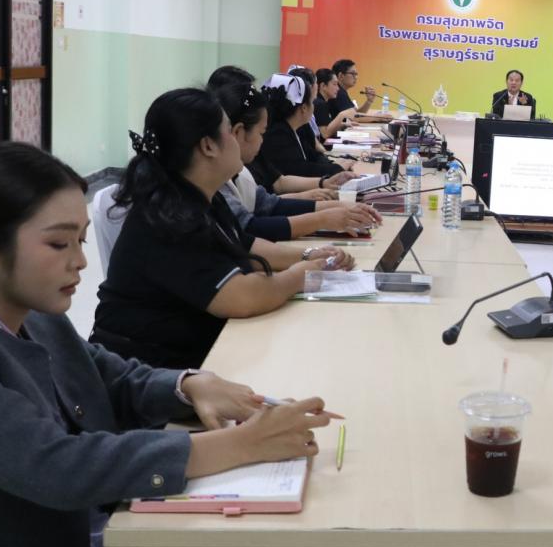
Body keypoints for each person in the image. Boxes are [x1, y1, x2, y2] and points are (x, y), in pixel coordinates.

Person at [0, 141, 337, 547]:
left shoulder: (28, 307)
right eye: (58, 244)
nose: (80, 261)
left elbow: (106, 374)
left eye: (80, 240)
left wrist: (189, 385)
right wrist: (240, 445)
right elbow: (55, 465)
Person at [91, 87, 355, 369]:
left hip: (188, 352)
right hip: (149, 371)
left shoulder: (200, 195)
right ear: (208, 146)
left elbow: (244, 244)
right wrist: (303, 274)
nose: (236, 139)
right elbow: (243, 297)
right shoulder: (168, 217)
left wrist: (311, 255)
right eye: (229, 130)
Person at [213, 80, 382, 242]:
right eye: (261, 133)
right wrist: (322, 218)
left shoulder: (239, 173)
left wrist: (339, 206)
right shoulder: (216, 186)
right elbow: (248, 230)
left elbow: (269, 203)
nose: (263, 140)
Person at [208, 65, 352, 201]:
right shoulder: (272, 136)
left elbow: (274, 188)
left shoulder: (246, 155)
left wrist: (323, 184)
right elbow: (257, 211)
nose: (262, 139)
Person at [258, 73, 353, 180]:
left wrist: (333, 165)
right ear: (303, 108)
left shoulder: (296, 127)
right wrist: (336, 168)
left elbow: (313, 155)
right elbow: (300, 170)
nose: (313, 106)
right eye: (312, 102)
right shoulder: (278, 134)